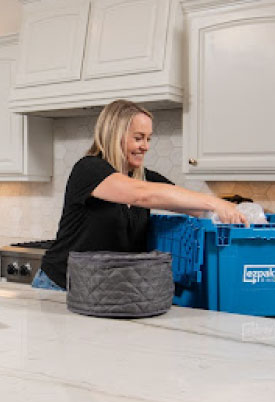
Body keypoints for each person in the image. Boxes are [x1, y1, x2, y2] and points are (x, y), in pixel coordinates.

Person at [34, 100, 247, 291]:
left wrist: (242, 213)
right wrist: (213, 202)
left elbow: (189, 204)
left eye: (148, 139)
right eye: (138, 138)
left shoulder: (143, 178)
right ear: (115, 135)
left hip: (103, 292)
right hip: (60, 286)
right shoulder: (89, 169)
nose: (145, 146)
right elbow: (140, 195)